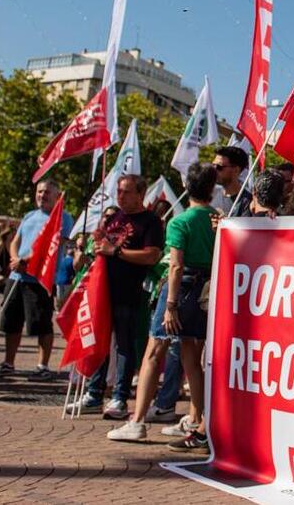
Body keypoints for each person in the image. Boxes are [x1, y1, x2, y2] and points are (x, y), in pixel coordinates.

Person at [108, 163, 218, 449]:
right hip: (206, 289)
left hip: (182, 289)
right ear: (212, 188)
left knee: (153, 351)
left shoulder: (180, 222)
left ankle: (138, 421)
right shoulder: (218, 219)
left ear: (187, 186)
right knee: (191, 353)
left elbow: (176, 265)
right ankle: (197, 417)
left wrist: (169, 304)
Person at [77, 175, 165, 419]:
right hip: (104, 291)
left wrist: (115, 251)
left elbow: (151, 256)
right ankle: (94, 393)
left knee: (125, 346)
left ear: (140, 194)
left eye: (127, 192)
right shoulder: (115, 218)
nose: (121, 196)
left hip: (128, 292)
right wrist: (97, 243)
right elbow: (103, 248)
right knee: (100, 342)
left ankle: (120, 397)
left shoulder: (150, 222)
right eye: (119, 191)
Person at [0, 180, 73, 380]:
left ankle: (42, 366)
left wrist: (25, 260)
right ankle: (8, 362)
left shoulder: (63, 218)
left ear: (57, 195)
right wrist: (15, 259)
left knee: (41, 324)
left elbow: (52, 247)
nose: (42, 195)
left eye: (47, 192)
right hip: (16, 276)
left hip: (40, 279)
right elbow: (16, 241)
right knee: (11, 321)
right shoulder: (29, 215)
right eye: (39, 191)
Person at [211, 146, 252, 217]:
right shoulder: (210, 195)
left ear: (236, 170)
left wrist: (224, 224)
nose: (214, 170)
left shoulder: (248, 202)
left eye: (219, 167)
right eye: (213, 165)